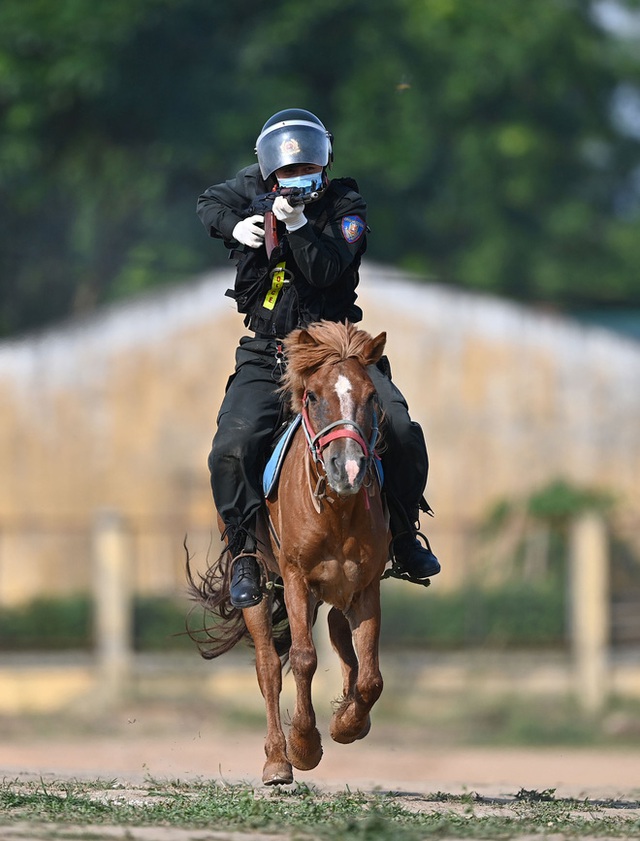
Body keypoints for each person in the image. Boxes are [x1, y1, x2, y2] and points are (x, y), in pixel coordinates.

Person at [197, 108, 440, 609]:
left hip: (338, 347)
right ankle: (243, 551)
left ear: (324, 164)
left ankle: (404, 535)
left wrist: (301, 226)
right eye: (285, 172)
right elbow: (208, 203)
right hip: (271, 350)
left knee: (399, 427)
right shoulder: (249, 188)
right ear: (268, 171)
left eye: (306, 169)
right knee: (232, 444)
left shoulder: (345, 206)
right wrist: (235, 225)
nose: (295, 179)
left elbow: (328, 271)